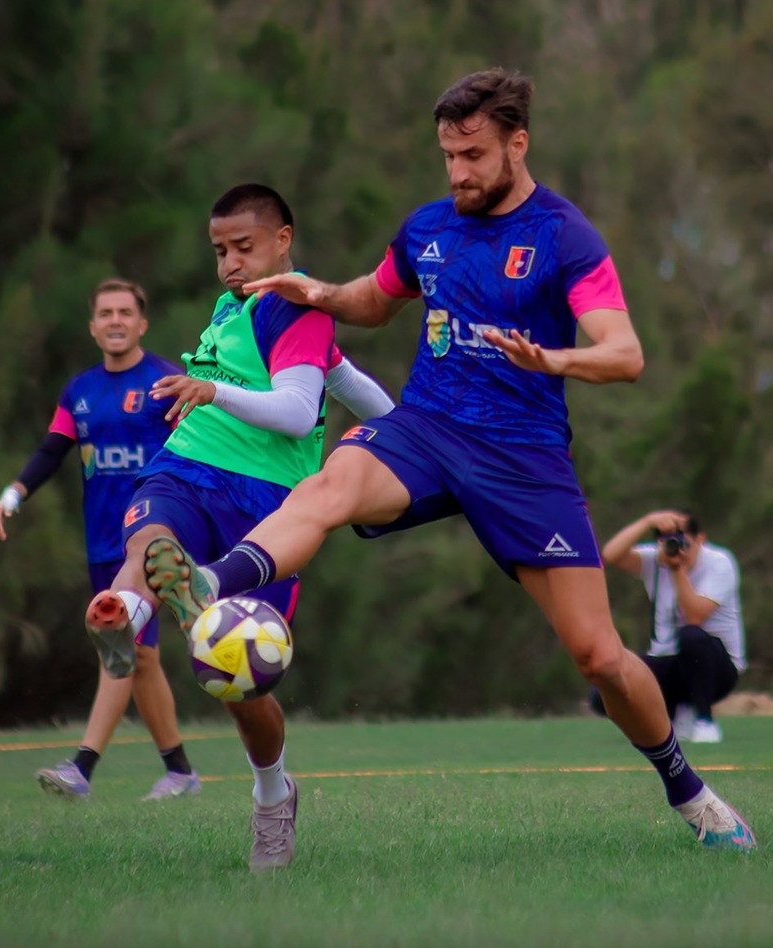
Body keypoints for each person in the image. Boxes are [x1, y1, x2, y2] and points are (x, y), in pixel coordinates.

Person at [145, 68, 756, 852]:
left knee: (599, 656)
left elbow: (626, 354)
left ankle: (689, 791)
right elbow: (376, 298)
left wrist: (554, 362)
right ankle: (210, 583)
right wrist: (320, 292)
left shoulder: (565, 236)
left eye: (473, 155)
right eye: (448, 156)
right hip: (427, 428)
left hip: (524, 458)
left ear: (517, 143)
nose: (459, 173)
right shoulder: (431, 225)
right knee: (329, 484)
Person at [84, 183, 395, 870]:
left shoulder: (297, 309)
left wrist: (404, 437)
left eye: (243, 248)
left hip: (267, 507)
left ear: (284, 240)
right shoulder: (236, 308)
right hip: (191, 463)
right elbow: (346, 384)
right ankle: (123, 612)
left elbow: (296, 409)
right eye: (220, 250)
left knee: (241, 685)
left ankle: (272, 794)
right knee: (149, 536)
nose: (229, 263)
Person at [0, 278, 201, 801]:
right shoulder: (79, 391)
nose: (115, 321)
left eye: (125, 312)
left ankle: (81, 767)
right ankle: (179, 771)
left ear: (142, 324)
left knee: (119, 642)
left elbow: (202, 447)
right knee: (140, 658)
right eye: (105, 313)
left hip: (149, 540)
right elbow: (51, 450)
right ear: (92, 326)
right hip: (100, 543)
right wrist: (13, 494)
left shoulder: (166, 381)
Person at [589, 509, 746, 744]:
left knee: (691, 636)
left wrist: (676, 570)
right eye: (669, 542)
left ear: (700, 539)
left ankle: (703, 720)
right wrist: (647, 520)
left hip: (717, 668)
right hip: (668, 659)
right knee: (604, 693)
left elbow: (694, 616)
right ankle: (669, 715)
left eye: (684, 541)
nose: (677, 548)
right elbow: (610, 555)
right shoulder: (655, 559)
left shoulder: (719, 563)